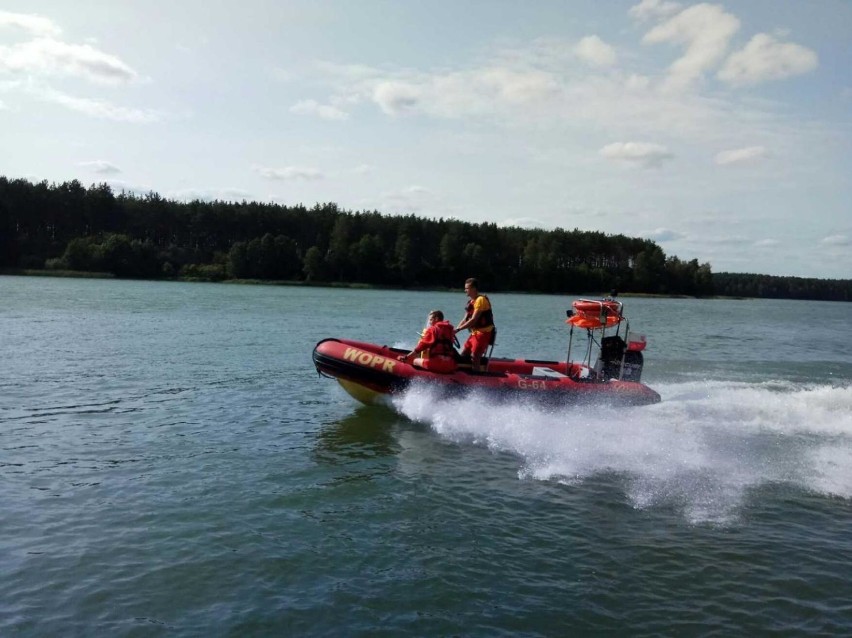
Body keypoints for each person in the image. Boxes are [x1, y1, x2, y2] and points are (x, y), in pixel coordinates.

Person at [455, 277, 495, 372]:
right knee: (464, 355)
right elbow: (465, 319)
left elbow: (473, 320)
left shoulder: (481, 300)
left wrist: (458, 330)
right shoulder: (471, 302)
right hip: (474, 334)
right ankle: (463, 374)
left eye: (467, 288)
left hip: (483, 333)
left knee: (475, 356)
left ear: (474, 289)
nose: (465, 290)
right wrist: (454, 331)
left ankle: (477, 380)